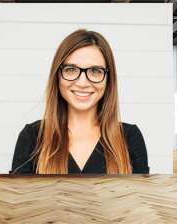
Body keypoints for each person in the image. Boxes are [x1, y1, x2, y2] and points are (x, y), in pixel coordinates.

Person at [11, 29, 149, 174]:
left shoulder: (130, 138)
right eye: (71, 69)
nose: (82, 83)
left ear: (108, 79)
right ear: (57, 75)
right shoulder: (32, 137)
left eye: (95, 71)